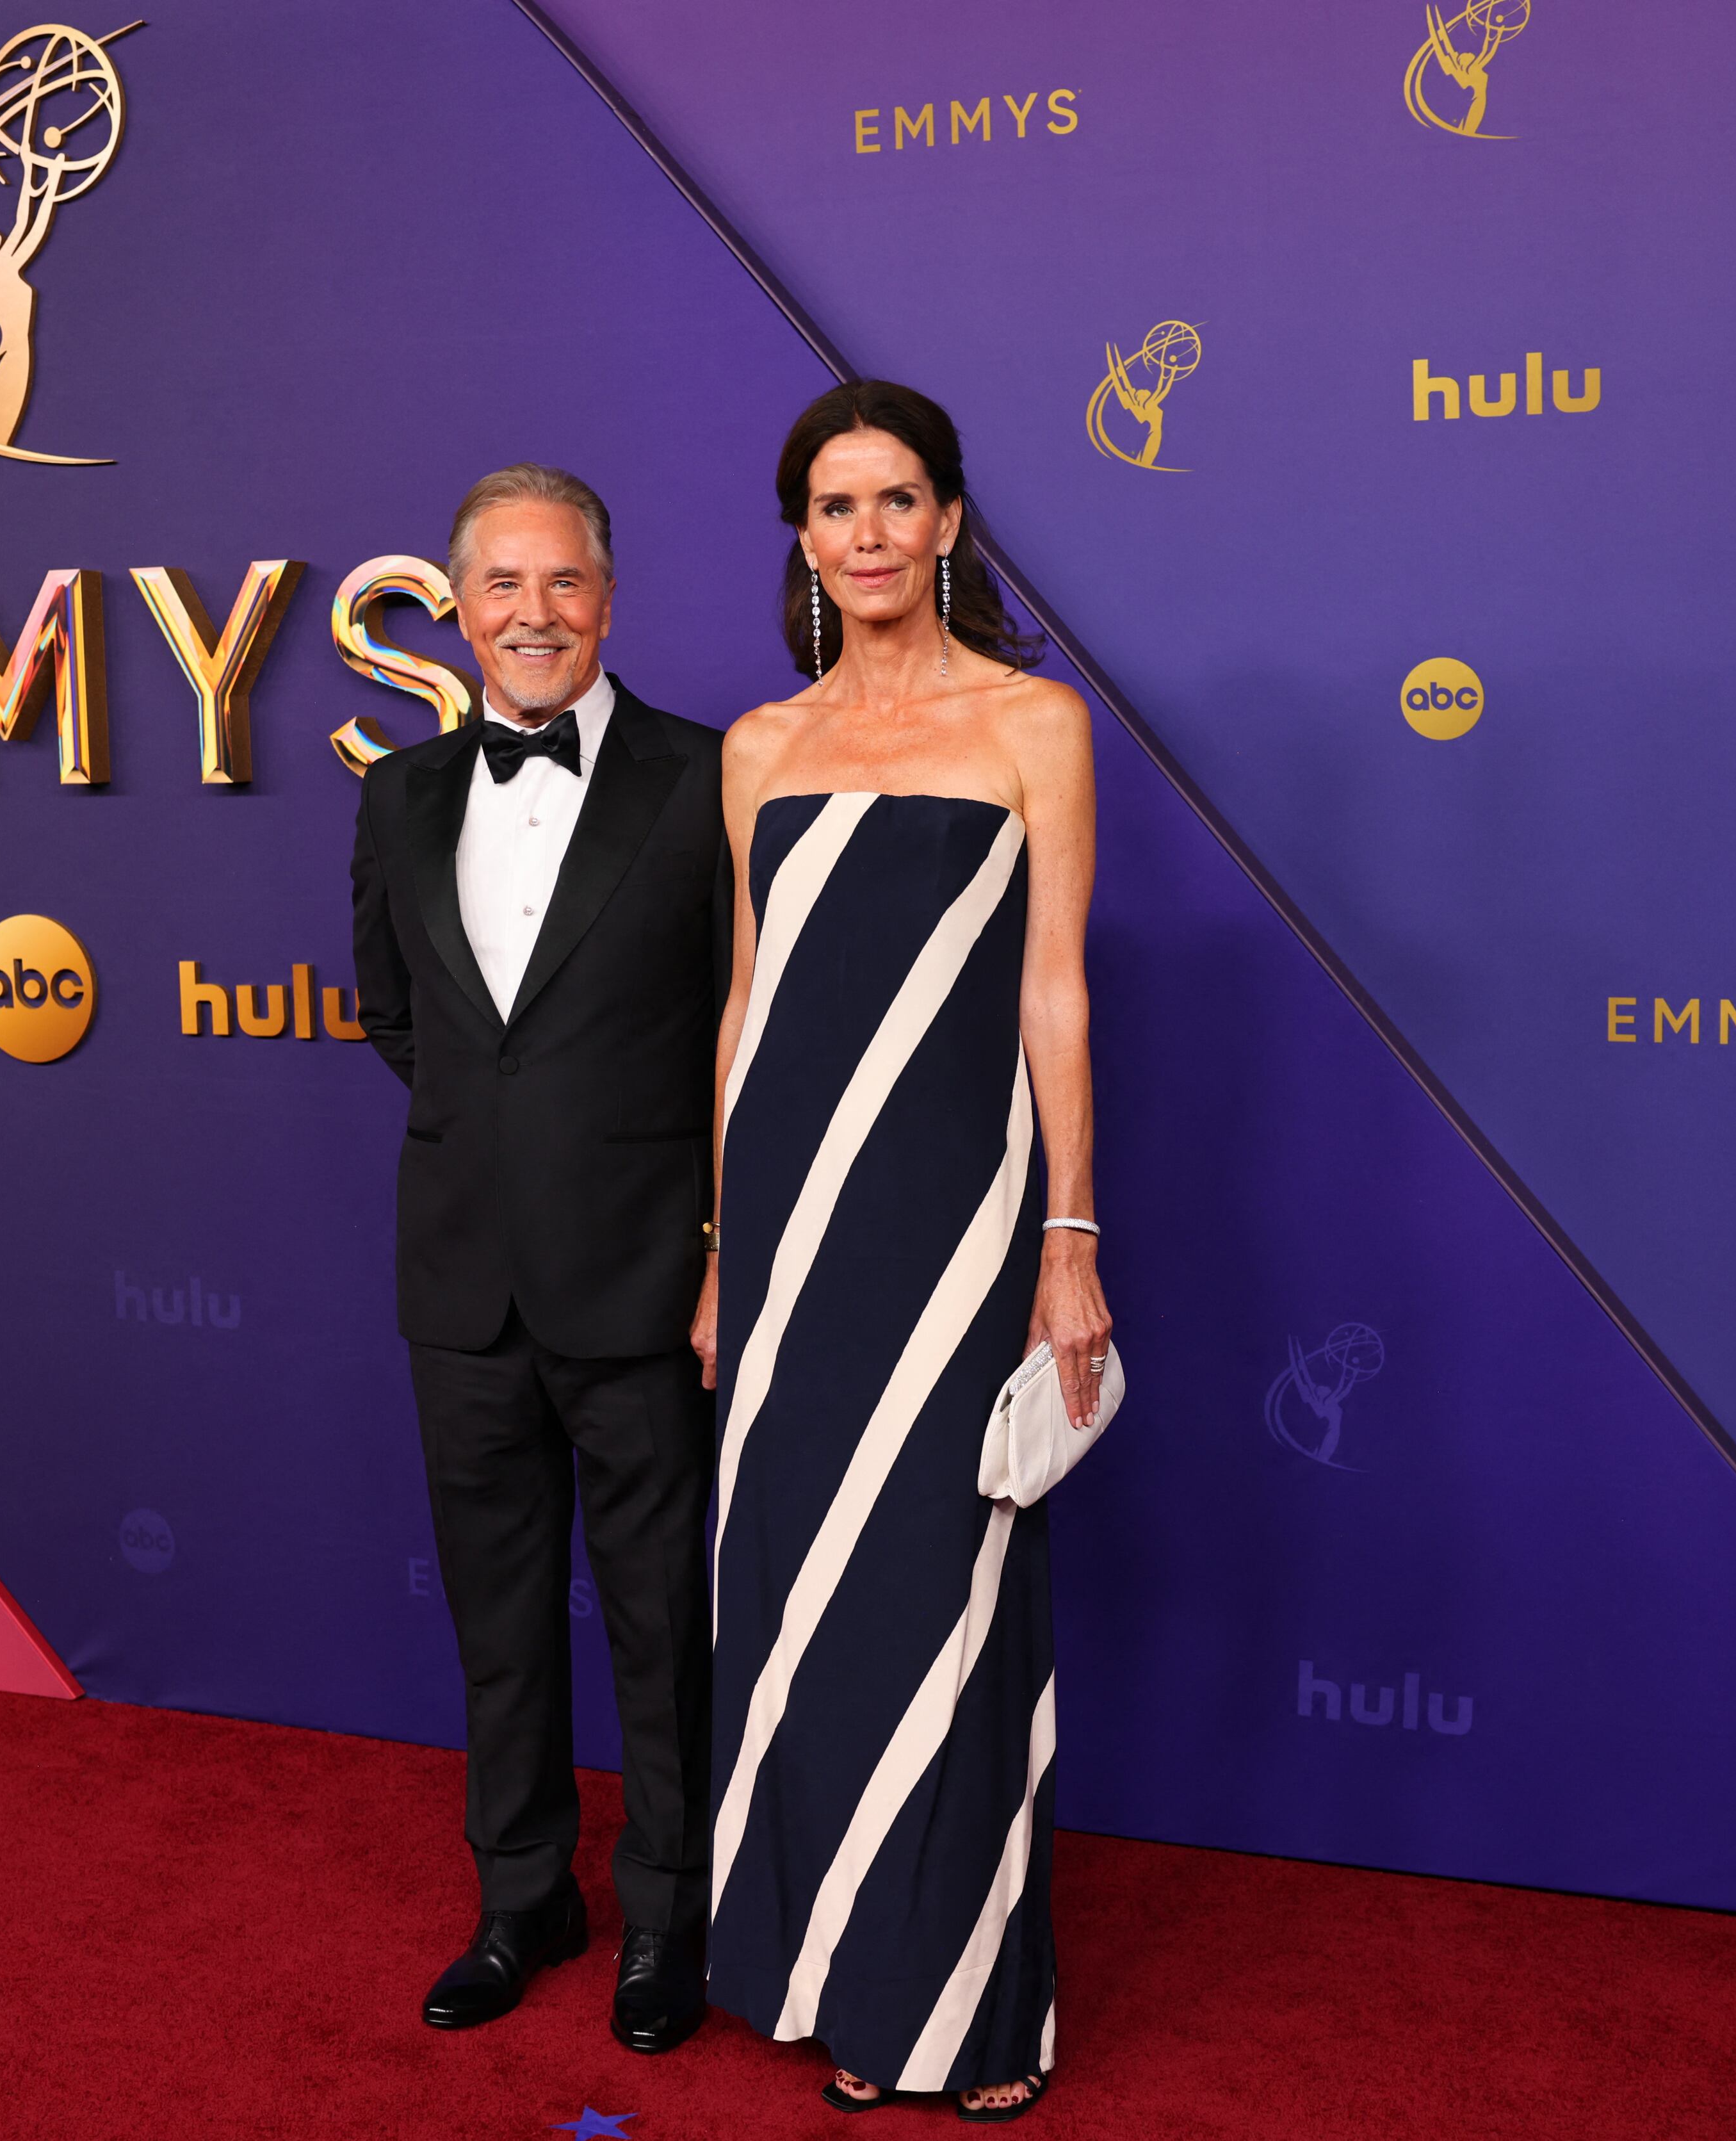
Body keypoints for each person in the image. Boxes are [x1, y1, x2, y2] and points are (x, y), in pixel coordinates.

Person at [699, 383, 1112, 2122]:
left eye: (897, 500)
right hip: (793, 1237)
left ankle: (969, 2006)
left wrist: (1069, 1238)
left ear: (949, 521)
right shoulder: (759, 746)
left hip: (956, 1223)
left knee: (945, 1597)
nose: (865, 533)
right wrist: (726, 1255)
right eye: (833, 504)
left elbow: (1054, 990)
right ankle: (840, 1982)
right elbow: (745, 1005)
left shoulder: (1036, 725)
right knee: (809, 1603)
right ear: (802, 534)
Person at [348, 465, 732, 2054]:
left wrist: (700, 1233)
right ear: (459, 607)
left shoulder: (711, 777)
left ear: (609, 596)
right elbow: (398, 1018)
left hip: (646, 1277)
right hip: (461, 1279)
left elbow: (743, 1026)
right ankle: (522, 1898)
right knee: (498, 1620)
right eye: (499, 586)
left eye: (561, 582)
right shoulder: (399, 792)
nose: (532, 614)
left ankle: (667, 1916)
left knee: (660, 1618)